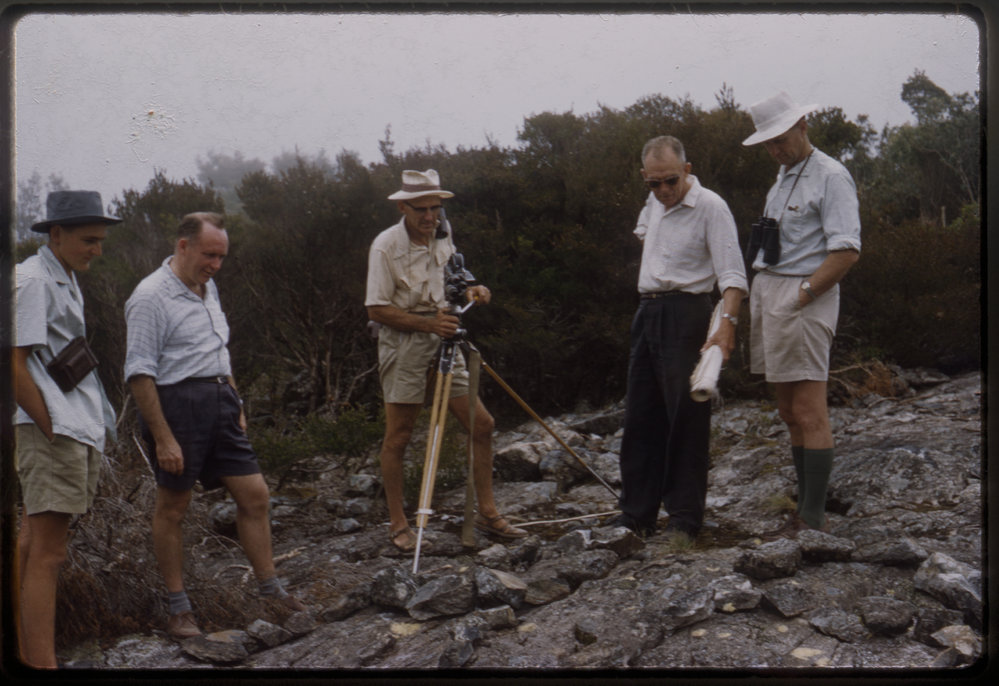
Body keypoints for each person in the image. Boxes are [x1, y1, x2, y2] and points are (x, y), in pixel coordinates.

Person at [124, 212, 305, 639]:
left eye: (222, 257)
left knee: (255, 494)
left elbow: (217, 346)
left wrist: (235, 397)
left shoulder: (209, 286)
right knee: (173, 507)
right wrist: (164, 437)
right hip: (177, 405)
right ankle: (178, 608)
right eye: (209, 255)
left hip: (221, 401)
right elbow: (139, 374)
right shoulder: (150, 296)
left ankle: (271, 590)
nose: (216, 265)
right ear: (182, 245)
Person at [365, 169, 527, 551]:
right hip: (404, 346)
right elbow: (375, 308)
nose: (429, 217)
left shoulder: (443, 234)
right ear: (403, 206)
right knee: (399, 436)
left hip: (445, 342)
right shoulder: (385, 246)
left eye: (435, 208)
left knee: (481, 424)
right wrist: (427, 324)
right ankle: (399, 523)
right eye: (421, 209)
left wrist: (473, 289)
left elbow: (453, 276)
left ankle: (489, 513)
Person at [614, 136, 748, 544]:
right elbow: (643, 232)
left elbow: (733, 276)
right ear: (645, 179)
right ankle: (636, 514)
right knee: (640, 415)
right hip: (648, 311)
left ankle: (685, 518)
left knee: (685, 418)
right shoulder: (654, 201)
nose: (663, 191)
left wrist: (725, 325)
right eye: (654, 184)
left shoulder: (711, 206)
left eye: (671, 181)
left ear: (687, 171)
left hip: (688, 314)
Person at [741, 91, 861, 535]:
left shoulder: (831, 176)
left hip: (803, 296)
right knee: (788, 410)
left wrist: (805, 295)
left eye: (781, 138)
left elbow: (846, 251)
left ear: (803, 125)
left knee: (810, 409)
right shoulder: (782, 175)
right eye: (769, 142)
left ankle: (812, 518)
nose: (776, 148)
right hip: (772, 292)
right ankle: (803, 506)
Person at [13, 190, 121, 668]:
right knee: (50, 554)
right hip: (53, 426)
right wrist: (50, 425)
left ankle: (25, 652)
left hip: (70, 421)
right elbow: (12, 363)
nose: (96, 249)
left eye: (100, 240)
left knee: (32, 544)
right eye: (88, 240)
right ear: (55, 234)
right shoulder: (33, 281)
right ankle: (41, 663)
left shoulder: (64, 277)